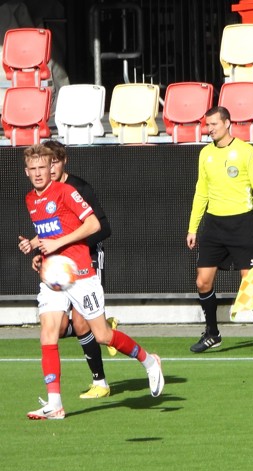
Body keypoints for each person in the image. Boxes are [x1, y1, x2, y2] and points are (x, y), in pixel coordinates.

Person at [21, 144, 163, 420]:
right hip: (55, 275)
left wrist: (56, 244)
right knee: (48, 333)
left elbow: (94, 226)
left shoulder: (66, 192)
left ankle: (149, 361)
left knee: (102, 335)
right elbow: (52, 231)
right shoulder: (30, 200)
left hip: (81, 273)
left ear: (52, 168)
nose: (38, 173)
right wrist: (36, 250)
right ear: (26, 172)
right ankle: (55, 404)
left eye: (43, 168)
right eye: (33, 169)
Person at [18, 140, 118, 400]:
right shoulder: (36, 196)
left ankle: (100, 381)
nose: (46, 171)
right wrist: (40, 249)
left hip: (88, 256)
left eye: (52, 164)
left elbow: (102, 226)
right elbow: (51, 231)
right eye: (38, 167)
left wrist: (69, 250)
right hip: (61, 261)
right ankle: (101, 324)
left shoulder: (77, 188)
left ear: (60, 162)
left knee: (82, 322)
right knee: (60, 327)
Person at [187, 106, 253, 354]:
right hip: (213, 226)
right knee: (203, 282)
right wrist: (193, 227)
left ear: (227, 123)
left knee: (251, 282)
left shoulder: (246, 152)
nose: (209, 129)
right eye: (207, 125)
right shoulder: (205, 154)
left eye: (214, 124)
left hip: (241, 225)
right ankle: (212, 334)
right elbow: (201, 191)